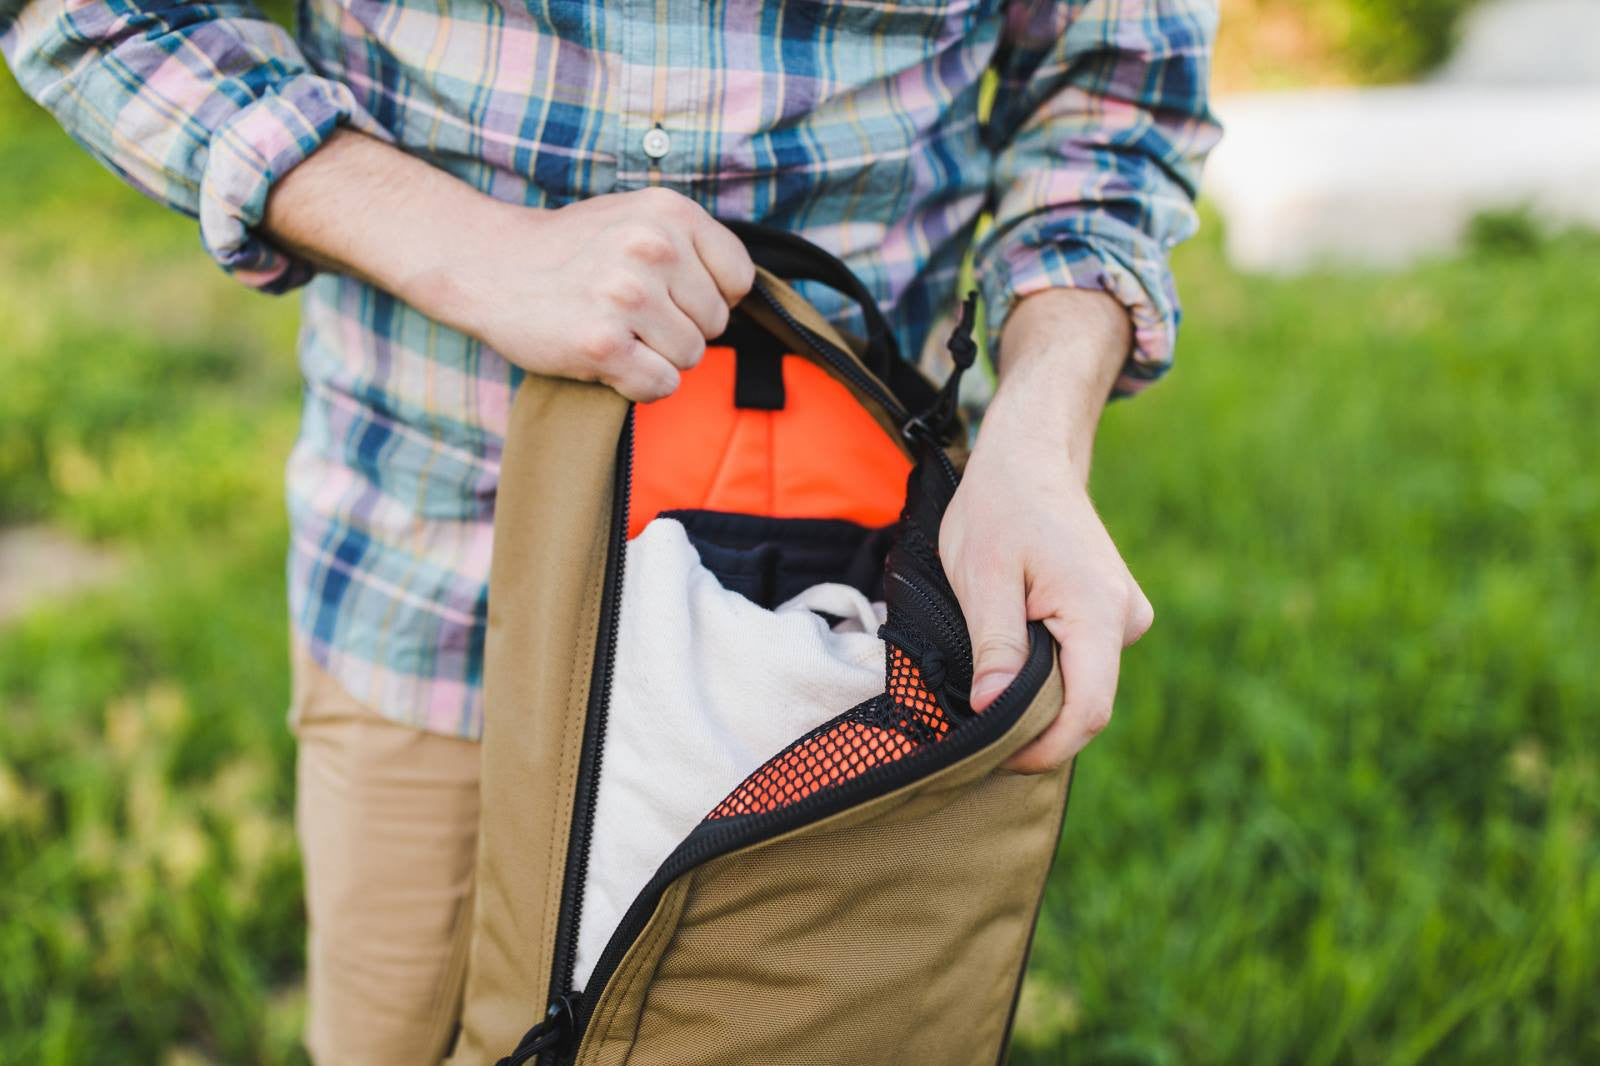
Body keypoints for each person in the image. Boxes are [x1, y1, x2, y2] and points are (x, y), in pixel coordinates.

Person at [1, 0, 1218, 1060]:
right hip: (430, 571)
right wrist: (472, 249)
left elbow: (1114, 98)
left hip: (850, 616)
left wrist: (1041, 438)